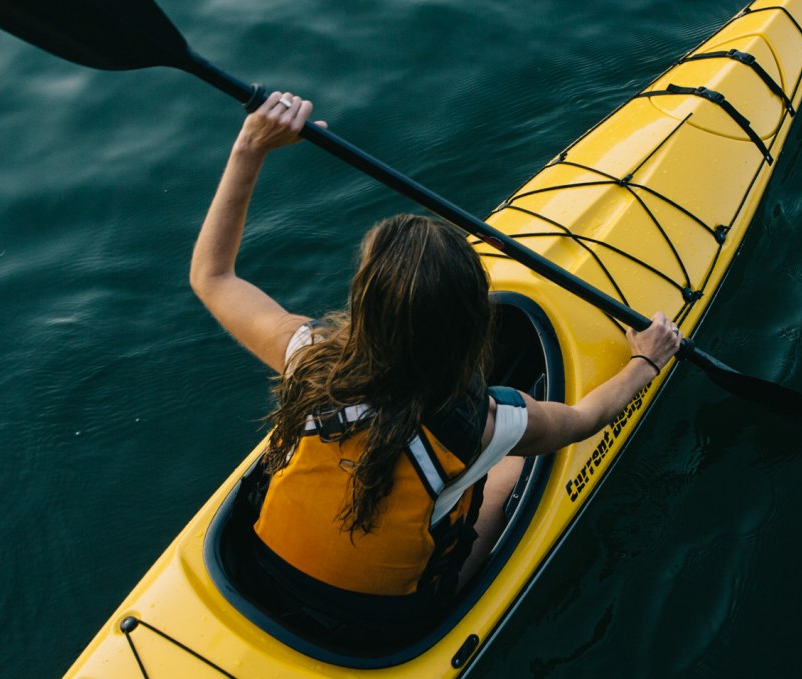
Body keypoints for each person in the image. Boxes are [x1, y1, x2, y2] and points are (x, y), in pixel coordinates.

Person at [189, 91, 681, 644]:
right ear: (473, 329)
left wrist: (249, 148)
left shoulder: (307, 357)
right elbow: (586, 418)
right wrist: (645, 360)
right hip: (381, 625)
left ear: (365, 304)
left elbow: (213, 277)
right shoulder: (489, 425)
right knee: (512, 470)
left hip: (261, 570)